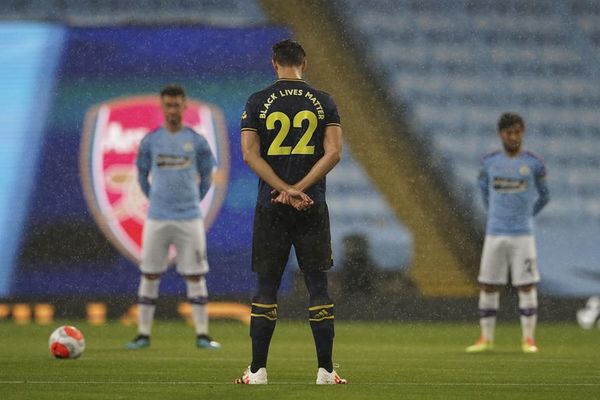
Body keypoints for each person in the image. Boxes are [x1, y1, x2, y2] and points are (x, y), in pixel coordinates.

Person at [234, 39, 347, 384]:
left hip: (272, 207)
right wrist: (301, 188)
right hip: (311, 205)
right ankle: (326, 371)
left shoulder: (257, 101)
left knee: (267, 287)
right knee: (318, 287)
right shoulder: (324, 101)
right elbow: (334, 152)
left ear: (274, 63)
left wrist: (283, 189)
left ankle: (257, 371)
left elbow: (250, 154)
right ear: (305, 63)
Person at [126, 84, 221, 350]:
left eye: (176, 105)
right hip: (158, 217)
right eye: (168, 105)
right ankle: (143, 334)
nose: (172, 109)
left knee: (195, 276)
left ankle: (202, 334)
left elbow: (207, 177)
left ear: (184, 106)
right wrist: (155, 199)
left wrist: (192, 199)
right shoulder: (151, 140)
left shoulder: (197, 140)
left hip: (189, 218)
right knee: (150, 274)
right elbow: (142, 175)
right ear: (162, 106)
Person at [466, 112, 550, 354]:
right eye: (509, 132)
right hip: (495, 233)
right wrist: (495, 213)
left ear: (522, 132)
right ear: (501, 134)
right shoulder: (489, 162)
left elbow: (545, 196)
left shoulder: (533, 162)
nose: (513, 137)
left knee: (526, 285)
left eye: (517, 132)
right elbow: (483, 191)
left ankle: (528, 339)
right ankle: (486, 338)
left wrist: (528, 215)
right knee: (488, 285)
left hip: (523, 234)